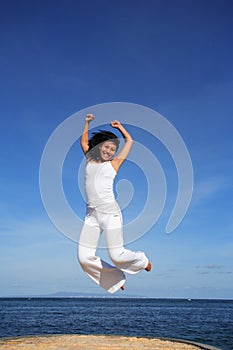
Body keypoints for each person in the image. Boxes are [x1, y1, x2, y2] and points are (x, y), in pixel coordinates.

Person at [78, 114, 152, 294]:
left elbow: (130, 141)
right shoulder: (89, 158)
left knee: (117, 256)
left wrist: (120, 128)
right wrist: (87, 123)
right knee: (84, 258)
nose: (109, 151)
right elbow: (84, 141)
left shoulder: (114, 164)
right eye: (107, 147)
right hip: (91, 216)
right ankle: (115, 280)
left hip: (110, 213)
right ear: (99, 146)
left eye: (113, 149)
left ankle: (142, 261)